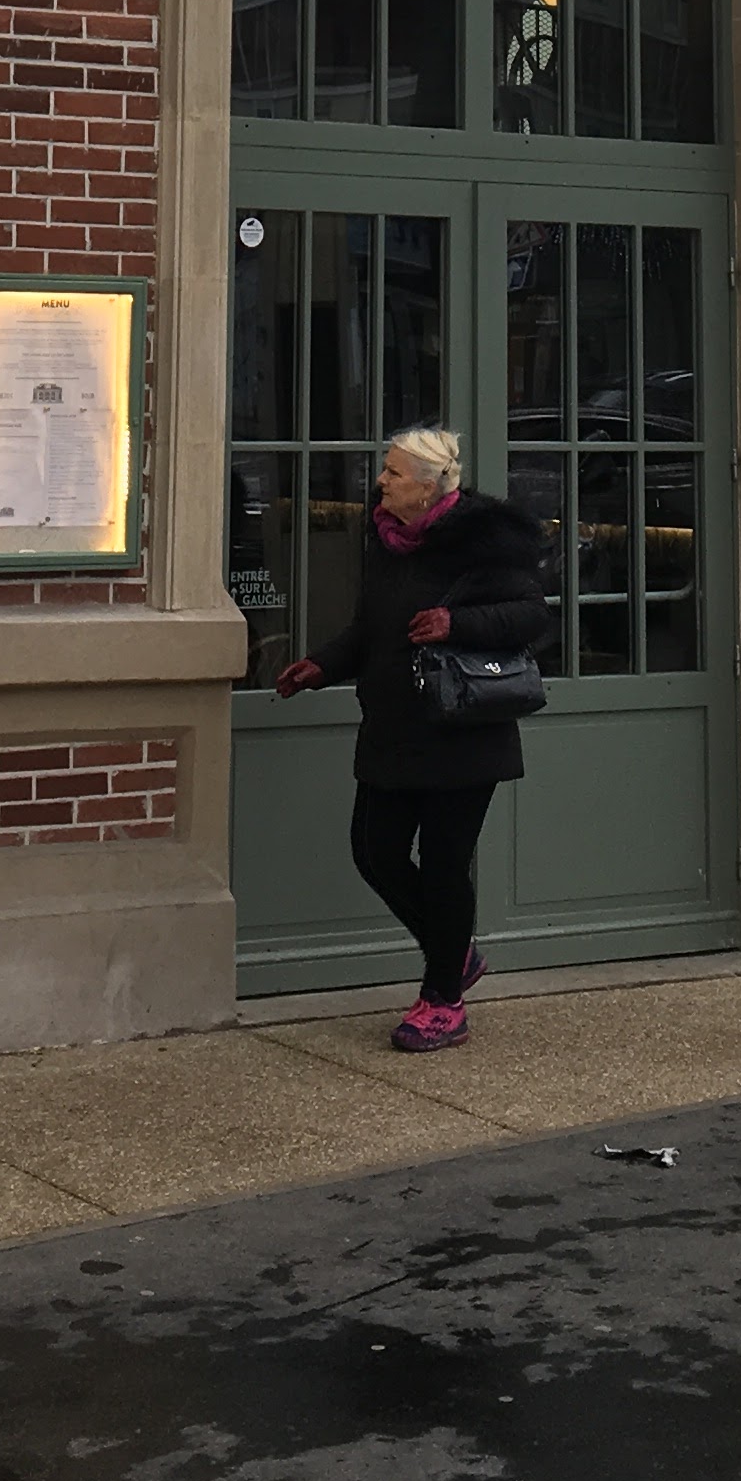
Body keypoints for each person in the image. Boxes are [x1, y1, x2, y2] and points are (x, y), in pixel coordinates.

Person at [273, 424, 551, 1053]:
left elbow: (532, 616)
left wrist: (458, 622)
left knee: (445, 864)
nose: (381, 481)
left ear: (428, 488)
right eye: (386, 469)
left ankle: (443, 1001)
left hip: (462, 732)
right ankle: (456, 954)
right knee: (375, 852)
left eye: (393, 473)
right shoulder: (386, 541)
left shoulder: (484, 542)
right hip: (393, 727)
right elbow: (370, 629)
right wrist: (322, 665)